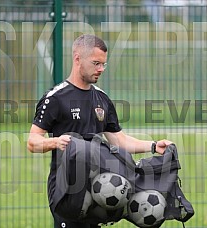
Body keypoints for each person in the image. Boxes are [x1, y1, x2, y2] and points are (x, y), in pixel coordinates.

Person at [27, 34, 173, 228]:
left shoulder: (102, 99)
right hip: (68, 191)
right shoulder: (55, 98)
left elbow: (119, 141)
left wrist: (154, 146)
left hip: (99, 189)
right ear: (78, 58)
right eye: (96, 63)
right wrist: (55, 142)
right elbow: (32, 142)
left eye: (104, 64)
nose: (101, 69)